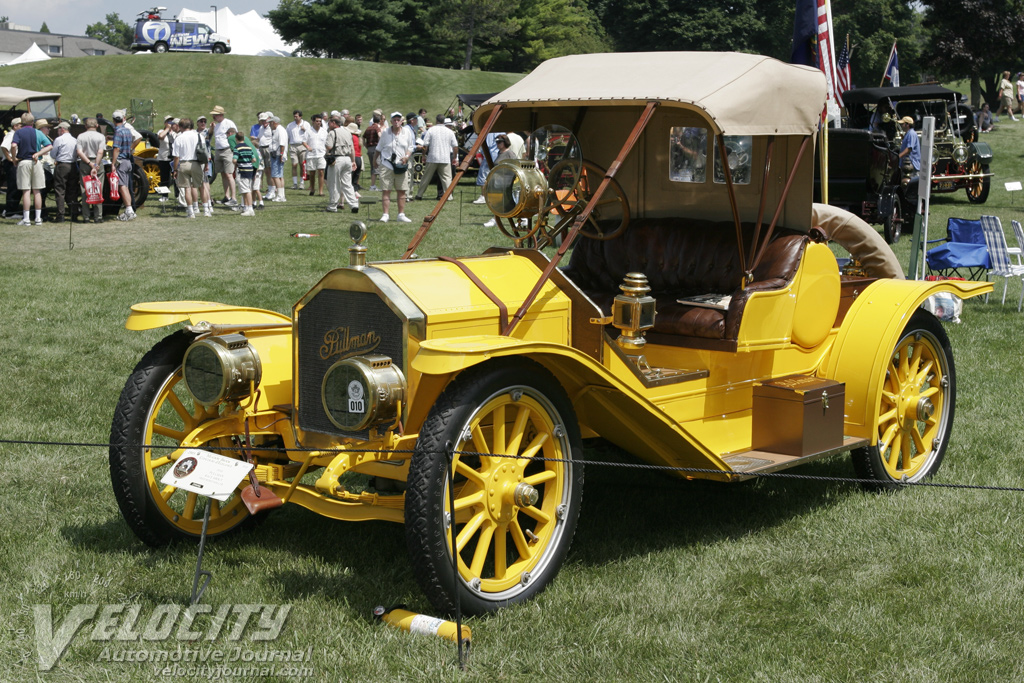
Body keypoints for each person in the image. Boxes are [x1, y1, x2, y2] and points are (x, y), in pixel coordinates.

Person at [11, 113, 51, 225]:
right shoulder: (38, 132)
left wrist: (14, 158)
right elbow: (49, 146)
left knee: (26, 191)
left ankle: (26, 218)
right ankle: (38, 218)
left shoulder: (19, 132)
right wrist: (38, 153)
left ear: (22, 122)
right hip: (36, 162)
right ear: (32, 122)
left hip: (24, 161)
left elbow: (14, 146)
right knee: (37, 191)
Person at [376, 112, 415, 223]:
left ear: (402, 121)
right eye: (394, 119)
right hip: (387, 164)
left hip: (401, 165)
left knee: (401, 190)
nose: (396, 121)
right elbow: (379, 148)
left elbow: (410, 147)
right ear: (391, 121)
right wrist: (375, 161)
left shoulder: (407, 132)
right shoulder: (385, 133)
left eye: (399, 119)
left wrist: (407, 157)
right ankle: (385, 214)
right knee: (386, 190)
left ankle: (401, 214)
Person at [413, 113, 457, 202]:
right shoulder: (450, 131)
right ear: (444, 121)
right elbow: (455, 146)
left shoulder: (431, 130)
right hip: (445, 158)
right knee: (447, 179)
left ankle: (419, 195)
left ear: (436, 120)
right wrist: (454, 157)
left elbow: (425, 145)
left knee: (426, 178)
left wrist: (423, 155)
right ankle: (449, 197)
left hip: (432, 157)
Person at [324, 115, 358, 213]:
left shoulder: (332, 132)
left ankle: (332, 206)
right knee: (347, 184)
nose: (328, 124)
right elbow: (352, 149)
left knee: (334, 183)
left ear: (334, 123)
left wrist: (326, 147)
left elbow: (329, 146)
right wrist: (353, 161)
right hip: (347, 159)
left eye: (329, 122)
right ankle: (354, 204)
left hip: (336, 159)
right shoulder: (348, 132)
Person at [483, 134, 518, 228]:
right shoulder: (500, 153)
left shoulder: (510, 153)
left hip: (506, 182)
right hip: (498, 182)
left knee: (502, 202)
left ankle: (495, 219)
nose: (497, 144)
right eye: (496, 142)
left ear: (505, 142)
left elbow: (516, 167)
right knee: (502, 202)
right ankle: (496, 219)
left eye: (499, 142)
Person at [75, 117, 106, 223]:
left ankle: (86, 217)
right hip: (97, 162)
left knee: (84, 189)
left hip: (85, 162)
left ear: (85, 126)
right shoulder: (101, 136)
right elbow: (100, 152)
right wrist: (95, 165)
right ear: (97, 126)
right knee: (98, 188)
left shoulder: (80, 136)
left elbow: (79, 152)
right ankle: (98, 216)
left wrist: (89, 163)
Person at [171, 117, 201, 219]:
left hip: (183, 164)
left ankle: (190, 211)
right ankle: (199, 207)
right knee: (195, 187)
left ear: (180, 127)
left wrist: (175, 169)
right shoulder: (198, 135)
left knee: (187, 188)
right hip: (196, 163)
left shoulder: (179, 138)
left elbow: (176, 157)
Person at [50, 121, 78, 223]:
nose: (57, 131)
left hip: (62, 165)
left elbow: (53, 154)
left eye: (58, 129)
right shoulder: (75, 140)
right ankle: (74, 213)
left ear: (62, 129)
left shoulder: (59, 139)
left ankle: (60, 214)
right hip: (73, 165)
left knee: (60, 190)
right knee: (72, 190)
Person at [111, 110, 136, 221]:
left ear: (113, 120)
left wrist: (113, 163)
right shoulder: (127, 130)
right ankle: (129, 210)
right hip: (128, 161)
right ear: (123, 118)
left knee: (122, 186)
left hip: (121, 161)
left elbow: (116, 148)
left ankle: (129, 210)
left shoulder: (118, 131)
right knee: (125, 186)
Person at [209, 105, 238, 205]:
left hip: (227, 150)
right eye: (213, 115)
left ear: (221, 115)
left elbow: (235, 136)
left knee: (229, 174)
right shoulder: (216, 126)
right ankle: (227, 196)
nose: (214, 117)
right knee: (223, 174)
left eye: (215, 115)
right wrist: (212, 128)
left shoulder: (228, 123)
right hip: (218, 151)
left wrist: (234, 150)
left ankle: (233, 198)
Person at [232, 131, 260, 216]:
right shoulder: (249, 147)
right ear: (243, 138)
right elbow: (254, 159)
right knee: (246, 189)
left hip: (242, 170)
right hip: (250, 170)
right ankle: (246, 207)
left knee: (246, 190)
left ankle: (250, 209)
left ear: (236, 139)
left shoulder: (237, 148)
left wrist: (238, 163)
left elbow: (234, 160)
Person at [2, 117, 23, 218]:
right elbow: (4, 146)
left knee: (15, 186)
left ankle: (9, 210)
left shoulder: (15, 134)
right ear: (15, 126)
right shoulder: (11, 135)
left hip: (12, 162)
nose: (22, 127)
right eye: (21, 125)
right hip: (11, 163)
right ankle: (10, 212)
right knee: (13, 187)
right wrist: (10, 158)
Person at [304, 113, 328, 197]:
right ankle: (313, 188)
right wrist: (307, 147)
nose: (319, 123)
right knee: (312, 173)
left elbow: (327, 142)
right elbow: (303, 141)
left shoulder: (324, 131)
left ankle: (320, 191)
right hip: (311, 155)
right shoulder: (308, 131)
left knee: (321, 172)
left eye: (320, 121)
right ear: (313, 122)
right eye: (317, 121)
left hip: (321, 154)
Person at [287, 109, 311, 190]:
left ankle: (301, 183)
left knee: (302, 165)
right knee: (294, 164)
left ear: (300, 116)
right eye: (294, 116)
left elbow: (310, 134)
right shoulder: (290, 125)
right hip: (293, 146)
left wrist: (305, 130)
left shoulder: (306, 124)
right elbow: (287, 137)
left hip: (302, 146)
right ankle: (294, 183)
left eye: (296, 116)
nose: (295, 118)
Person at [195, 115, 214, 216]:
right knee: (199, 182)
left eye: (204, 121)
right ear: (197, 123)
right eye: (201, 121)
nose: (203, 123)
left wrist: (212, 127)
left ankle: (209, 203)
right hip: (197, 160)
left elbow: (210, 133)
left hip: (206, 160)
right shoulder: (194, 133)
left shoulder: (207, 131)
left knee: (205, 182)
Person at [267, 115, 288, 201]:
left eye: (270, 123)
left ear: (274, 122)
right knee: (280, 175)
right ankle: (281, 195)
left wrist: (281, 154)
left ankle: (279, 195)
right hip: (279, 155)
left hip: (278, 155)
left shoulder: (280, 130)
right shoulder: (278, 130)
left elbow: (282, 144)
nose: (269, 124)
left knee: (275, 175)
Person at [363, 111, 383, 191]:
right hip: (376, 148)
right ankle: (374, 186)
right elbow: (379, 136)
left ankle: (373, 185)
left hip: (370, 148)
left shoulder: (368, 128)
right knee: (377, 167)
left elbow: (363, 137)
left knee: (373, 167)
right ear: (379, 121)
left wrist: (366, 146)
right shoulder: (377, 128)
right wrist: (381, 144)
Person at [347, 121, 363, 192]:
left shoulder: (351, 137)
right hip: (359, 158)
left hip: (353, 158)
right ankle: (355, 191)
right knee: (355, 177)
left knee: (350, 176)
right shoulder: (358, 138)